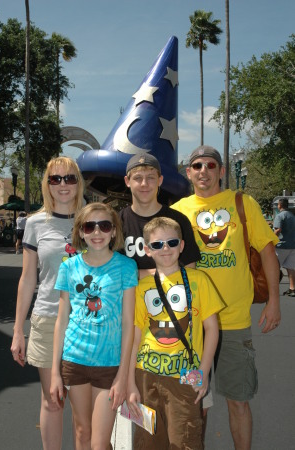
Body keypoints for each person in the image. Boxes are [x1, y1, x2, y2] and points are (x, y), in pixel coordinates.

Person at [171, 145, 281, 450]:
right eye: (196, 166)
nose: (203, 171)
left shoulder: (242, 204)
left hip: (233, 322)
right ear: (188, 173)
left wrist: (275, 300)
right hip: (192, 327)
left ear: (221, 171)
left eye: (210, 165)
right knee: (195, 405)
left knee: (238, 403)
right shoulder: (178, 211)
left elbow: (267, 252)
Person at [126, 216, 224, 449]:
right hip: (145, 376)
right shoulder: (141, 287)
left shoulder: (199, 280)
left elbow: (212, 329)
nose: (165, 248)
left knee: (185, 440)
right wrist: (129, 381)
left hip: (185, 377)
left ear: (181, 246)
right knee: (147, 441)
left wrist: (203, 371)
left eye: (171, 242)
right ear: (147, 250)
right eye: (157, 245)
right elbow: (136, 334)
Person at [11, 156, 85, 450]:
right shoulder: (35, 223)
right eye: (56, 179)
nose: (63, 185)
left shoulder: (93, 218)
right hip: (46, 319)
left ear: (78, 182)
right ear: (47, 184)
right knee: (53, 400)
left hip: (86, 324)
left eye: (69, 178)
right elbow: (28, 279)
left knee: (83, 408)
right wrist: (18, 330)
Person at [50, 202, 138, 449]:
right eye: (90, 226)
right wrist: (56, 372)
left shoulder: (125, 266)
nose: (97, 232)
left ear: (113, 231)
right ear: (80, 232)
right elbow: (62, 320)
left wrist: (123, 376)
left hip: (109, 364)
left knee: (100, 444)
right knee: (81, 433)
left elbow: (129, 323)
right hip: (75, 359)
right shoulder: (69, 267)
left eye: (104, 226)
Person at [273, 197, 295, 297]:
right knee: (290, 268)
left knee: (274, 267)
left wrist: (272, 240)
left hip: (281, 246)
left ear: (279, 205)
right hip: (292, 246)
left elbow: (277, 230)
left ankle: (273, 290)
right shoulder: (292, 216)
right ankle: (292, 289)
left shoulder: (279, 216)